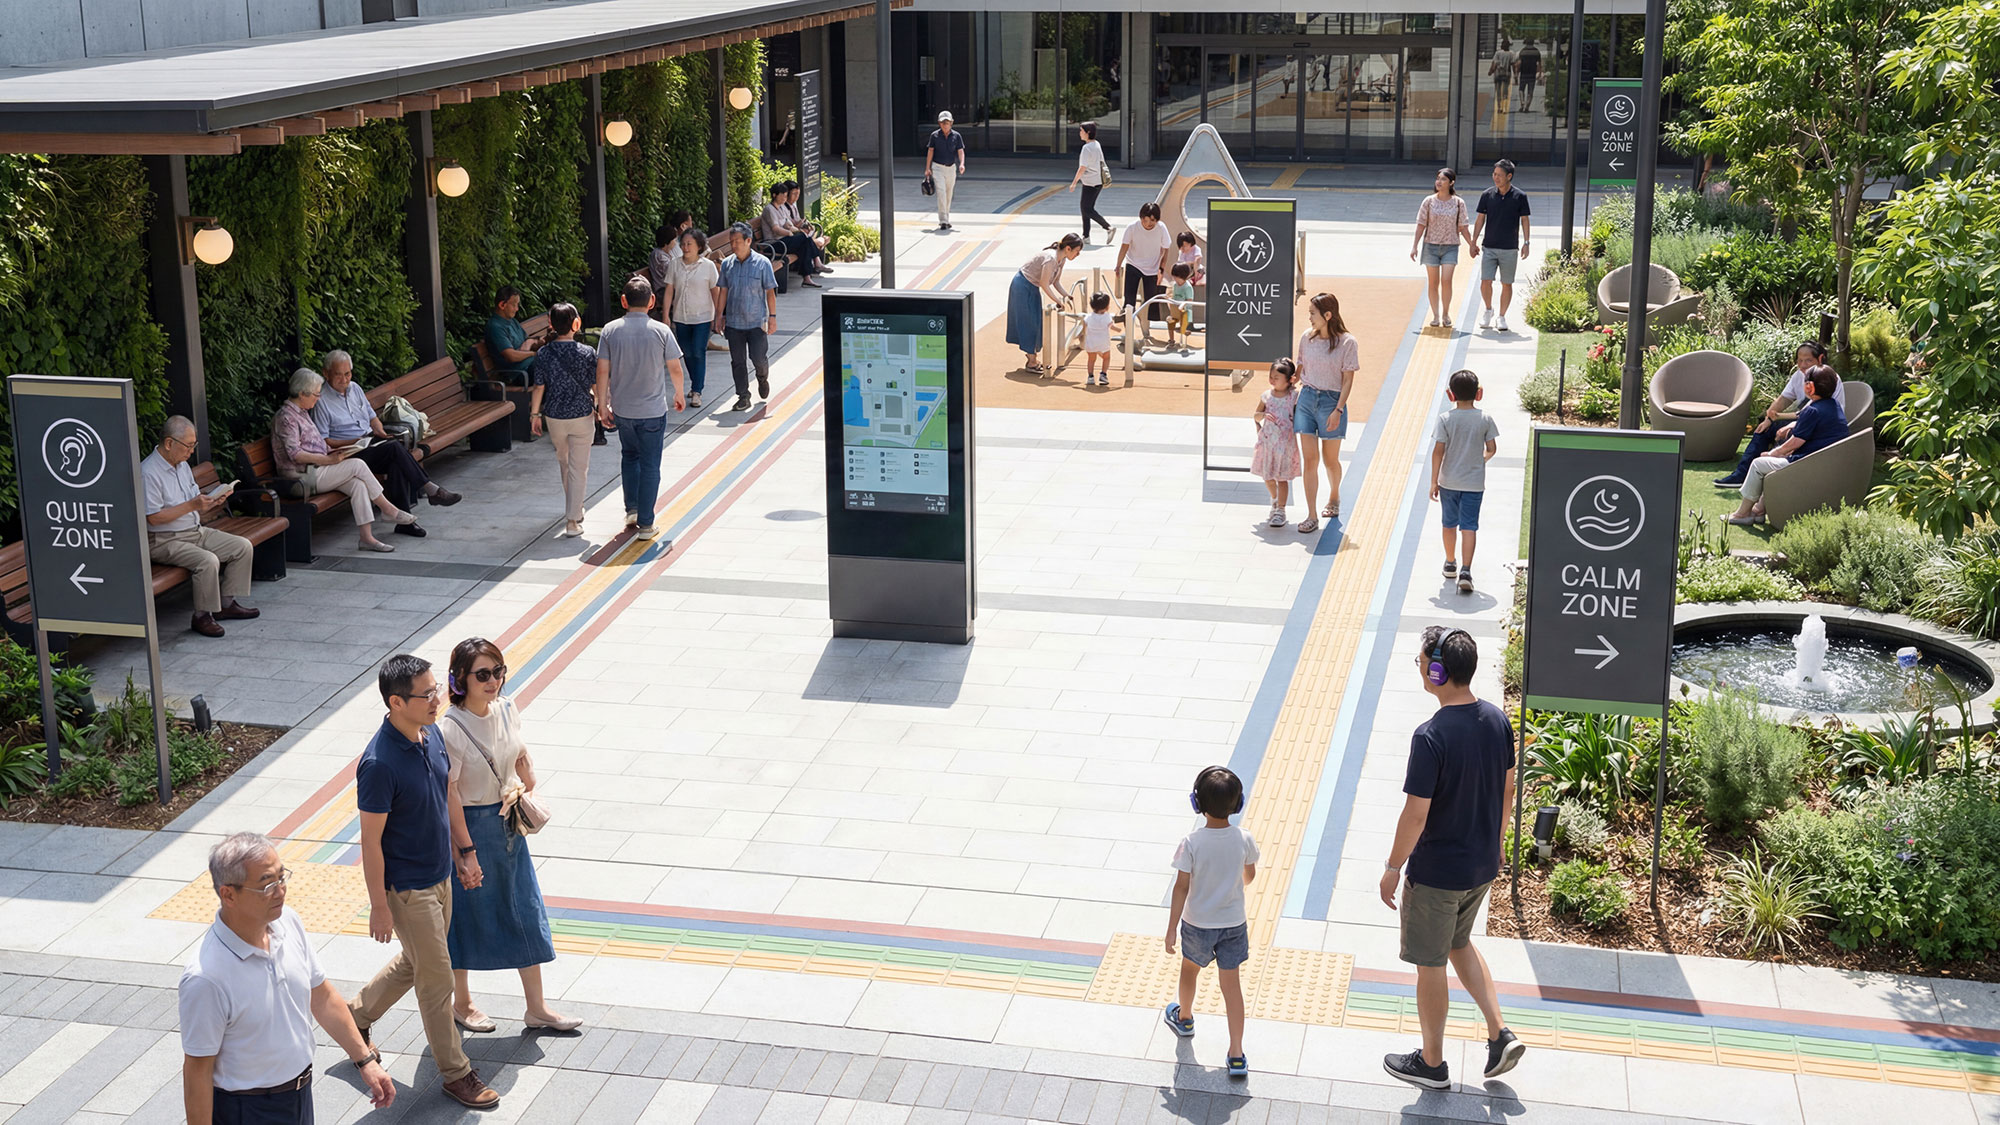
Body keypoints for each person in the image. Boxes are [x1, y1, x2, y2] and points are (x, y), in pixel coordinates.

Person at [348, 654, 500, 1110]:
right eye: (427, 693)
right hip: (408, 889)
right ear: (396, 702)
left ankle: (355, 1015)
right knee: (437, 981)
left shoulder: (428, 735)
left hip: (441, 876)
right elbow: (370, 842)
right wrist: (379, 905)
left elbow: (447, 794)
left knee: (419, 963)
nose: (438, 699)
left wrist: (465, 852)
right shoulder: (378, 764)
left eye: (437, 689)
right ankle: (456, 1074)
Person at [1380, 627, 1524, 1092]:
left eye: (1422, 661)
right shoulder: (1498, 721)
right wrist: (1497, 842)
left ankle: (1432, 1063)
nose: (1421, 667)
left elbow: (1416, 813)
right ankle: (1499, 1034)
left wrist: (1392, 866)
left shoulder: (1431, 736)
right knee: (1460, 942)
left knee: (1431, 963)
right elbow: (1507, 789)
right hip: (1481, 865)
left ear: (1437, 671)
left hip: (1438, 874)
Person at [180, 832, 394, 1125]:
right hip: (246, 1111)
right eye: (267, 884)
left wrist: (365, 1061)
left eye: (282, 878)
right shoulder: (206, 978)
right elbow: (197, 1070)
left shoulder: (287, 922)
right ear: (228, 894)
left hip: (299, 1095)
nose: (280, 891)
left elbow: (322, 996)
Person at [439, 638, 581, 1036]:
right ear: (460, 679)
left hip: (507, 822)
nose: (493, 681)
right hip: (472, 825)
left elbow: (522, 767)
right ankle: (461, 1002)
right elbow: (450, 792)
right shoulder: (451, 727)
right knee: (465, 915)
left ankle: (536, 1007)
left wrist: (527, 779)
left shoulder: (506, 709)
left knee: (524, 908)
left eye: (498, 672)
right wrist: (465, 849)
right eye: (482, 674)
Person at [1162, 766, 1259, 1080]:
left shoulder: (1191, 842)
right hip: (1233, 924)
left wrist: (1171, 929)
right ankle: (1236, 1053)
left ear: (1196, 802)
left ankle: (1186, 1017)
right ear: (1238, 803)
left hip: (1197, 924)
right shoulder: (1243, 838)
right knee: (1232, 986)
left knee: (1190, 970)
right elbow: (1249, 876)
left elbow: (1181, 887)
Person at [312, 349, 463, 533]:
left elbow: (371, 417)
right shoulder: (321, 401)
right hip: (349, 452)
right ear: (326, 373)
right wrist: (355, 440)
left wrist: (380, 430)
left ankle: (405, 523)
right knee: (394, 449)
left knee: (395, 462)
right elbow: (324, 441)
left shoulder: (355, 389)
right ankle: (431, 490)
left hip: (370, 443)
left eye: (347, 373)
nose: (344, 379)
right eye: (338, 374)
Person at [271, 369, 418, 553]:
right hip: (300, 478)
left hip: (316, 470)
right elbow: (295, 454)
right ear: (302, 394)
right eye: (316, 394)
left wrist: (339, 451)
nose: (318, 399)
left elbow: (316, 445)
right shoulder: (286, 418)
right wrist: (328, 460)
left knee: (358, 485)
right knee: (357, 465)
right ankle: (388, 509)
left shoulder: (302, 412)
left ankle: (366, 538)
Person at [142, 416, 258, 638]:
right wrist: (192, 505)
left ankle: (225, 604)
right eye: (188, 445)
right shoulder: (148, 472)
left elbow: (194, 501)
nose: (191, 451)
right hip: (164, 539)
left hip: (194, 531)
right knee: (207, 561)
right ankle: (202, 616)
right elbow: (154, 518)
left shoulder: (181, 465)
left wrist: (213, 500)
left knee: (242, 546)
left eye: (193, 445)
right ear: (169, 443)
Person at [597, 276, 687, 541]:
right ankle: (647, 525)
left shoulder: (610, 330)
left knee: (629, 457)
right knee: (650, 465)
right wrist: (679, 393)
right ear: (652, 301)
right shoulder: (661, 331)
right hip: (652, 411)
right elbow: (675, 368)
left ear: (623, 301)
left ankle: (632, 511)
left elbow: (602, 370)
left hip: (623, 410)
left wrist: (602, 405)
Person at [1727, 365, 1846, 525]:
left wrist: (1772, 454)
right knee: (1769, 466)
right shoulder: (1833, 405)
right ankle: (1758, 511)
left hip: (1806, 464)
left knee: (1758, 464)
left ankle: (1743, 514)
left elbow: (1795, 442)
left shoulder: (1813, 410)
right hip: (1823, 463)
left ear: (1810, 387)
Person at [1713, 341, 1838, 488]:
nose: (1803, 365)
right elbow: (1784, 399)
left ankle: (1773, 476)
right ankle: (1741, 474)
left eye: (1808, 360)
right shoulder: (1799, 376)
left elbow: (1827, 413)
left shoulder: (1830, 379)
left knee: (1788, 433)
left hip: (1819, 427)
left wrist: (1792, 426)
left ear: (1821, 359)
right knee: (1764, 428)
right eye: (1800, 360)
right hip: (1804, 419)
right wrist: (1768, 419)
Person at [528, 303, 598, 538]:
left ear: (551, 324)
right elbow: (595, 384)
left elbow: (539, 387)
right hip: (582, 415)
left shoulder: (543, 353)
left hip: (554, 416)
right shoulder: (587, 352)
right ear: (576, 324)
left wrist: (535, 415)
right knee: (579, 468)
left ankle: (574, 507)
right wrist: (601, 407)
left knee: (565, 463)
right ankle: (572, 520)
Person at [1293, 293, 1360, 534]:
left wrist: (1338, 409)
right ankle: (1311, 515)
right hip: (1307, 399)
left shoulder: (1347, 342)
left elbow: (1348, 380)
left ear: (1327, 315)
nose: (1309, 317)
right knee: (1309, 460)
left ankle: (1334, 497)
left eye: (1313, 313)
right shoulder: (1306, 338)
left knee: (1330, 460)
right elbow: (1299, 368)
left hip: (1332, 402)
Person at [1430, 370, 1500, 595]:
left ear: (1451, 395)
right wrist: (1480, 461)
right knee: (1469, 526)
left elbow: (1437, 452)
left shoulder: (1445, 419)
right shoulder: (1485, 419)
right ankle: (1466, 571)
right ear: (1479, 393)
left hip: (1449, 481)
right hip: (1474, 483)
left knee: (1448, 523)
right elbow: (1491, 449)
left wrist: (1434, 481)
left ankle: (1450, 562)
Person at [715, 222, 780, 412]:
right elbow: (723, 292)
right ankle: (743, 396)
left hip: (756, 322)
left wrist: (773, 317)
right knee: (737, 361)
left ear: (748, 241)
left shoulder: (762, 264)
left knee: (758, 358)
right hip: (734, 323)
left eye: (737, 241)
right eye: (731, 241)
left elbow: (770, 292)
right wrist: (719, 316)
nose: (733, 245)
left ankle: (762, 377)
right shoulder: (727, 264)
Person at [660, 227, 722, 411]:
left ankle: (697, 390)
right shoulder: (674, 264)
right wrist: (666, 316)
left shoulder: (708, 266)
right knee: (686, 353)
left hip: (703, 317)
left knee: (698, 351)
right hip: (681, 316)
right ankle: (696, 383)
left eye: (690, 244)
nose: (686, 247)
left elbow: (715, 291)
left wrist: (718, 316)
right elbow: (669, 290)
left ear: (699, 246)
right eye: (683, 244)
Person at [1006, 234, 1082, 375]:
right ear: (1068, 248)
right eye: (1077, 251)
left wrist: (1065, 295)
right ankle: (1032, 361)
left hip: (1032, 286)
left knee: (1036, 321)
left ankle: (1032, 359)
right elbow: (1044, 284)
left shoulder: (1061, 259)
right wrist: (1058, 301)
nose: (1078, 255)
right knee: (1028, 322)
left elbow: (1055, 281)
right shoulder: (1050, 259)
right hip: (1022, 285)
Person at [1469, 160, 1531, 332]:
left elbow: (1525, 220)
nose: (1495, 178)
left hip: (1510, 248)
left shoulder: (1520, 196)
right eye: (1494, 174)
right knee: (1485, 282)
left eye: (1499, 175)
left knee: (1506, 283)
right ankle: (1488, 309)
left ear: (1509, 176)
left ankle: (1502, 316)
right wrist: (1473, 242)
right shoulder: (1487, 195)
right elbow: (1480, 219)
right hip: (1489, 246)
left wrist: (1526, 242)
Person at [1411, 168, 1473, 328]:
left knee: (1446, 280)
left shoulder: (1459, 203)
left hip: (1450, 246)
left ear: (1451, 182)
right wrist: (1415, 246)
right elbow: (1421, 225)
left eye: (1443, 179)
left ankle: (1445, 314)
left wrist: (1472, 244)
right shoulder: (1429, 201)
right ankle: (1435, 315)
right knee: (1433, 282)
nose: (1439, 182)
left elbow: (1463, 226)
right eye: (1438, 179)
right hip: (1430, 246)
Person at [1253, 359, 1302, 528]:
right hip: (1268, 443)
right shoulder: (1266, 396)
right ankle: (1274, 499)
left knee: (1282, 479)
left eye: (1277, 377)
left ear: (1289, 380)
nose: (1272, 380)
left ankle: (1281, 509)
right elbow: (1256, 415)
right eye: (1271, 376)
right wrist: (1262, 416)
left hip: (1285, 445)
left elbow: (1299, 417)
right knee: (1268, 477)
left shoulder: (1294, 397)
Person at [1115, 203, 1174, 328]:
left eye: (1152, 220)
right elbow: (1124, 247)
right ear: (1141, 218)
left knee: (1150, 301)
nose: (1148, 223)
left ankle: (1146, 330)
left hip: (1152, 268)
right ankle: (1128, 332)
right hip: (1133, 264)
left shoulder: (1161, 228)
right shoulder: (1132, 227)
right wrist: (1118, 265)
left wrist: (1161, 269)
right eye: (1145, 220)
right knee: (1129, 301)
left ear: (1157, 220)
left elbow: (1166, 249)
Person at [761, 182, 825, 287]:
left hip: (784, 240)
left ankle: (807, 278)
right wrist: (790, 233)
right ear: (774, 195)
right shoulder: (769, 209)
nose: (785, 198)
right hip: (774, 243)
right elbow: (775, 228)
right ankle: (815, 265)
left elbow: (787, 224)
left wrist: (798, 231)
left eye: (786, 196)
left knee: (805, 244)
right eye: (783, 196)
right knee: (805, 240)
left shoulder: (780, 208)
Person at [484, 286, 543, 382]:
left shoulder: (512, 321)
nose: (517, 309)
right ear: (502, 305)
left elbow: (527, 340)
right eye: (514, 305)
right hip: (519, 373)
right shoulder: (495, 327)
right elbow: (511, 356)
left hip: (530, 366)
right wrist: (533, 354)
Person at [1068, 120, 1113, 243]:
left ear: (1088, 132)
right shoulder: (1096, 144)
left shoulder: (1086, 148)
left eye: (1081, 131)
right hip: (1097, 181)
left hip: (1090, 182)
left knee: (1087, 209)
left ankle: (1108, 227)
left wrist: (1074, 182)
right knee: (1086, 207)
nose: (1080, 133)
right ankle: (1086, 236)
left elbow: (1082, 167)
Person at [925, 111, 966, 230]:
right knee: (941, 192)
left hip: (951, 168)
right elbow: (930, 151)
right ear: (939, 123)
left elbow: (960, 151)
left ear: (951, 123)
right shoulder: (934, 136)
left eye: (947, 122)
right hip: (937, 167)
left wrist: (962, 164)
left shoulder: (956, 136)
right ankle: (943, 220)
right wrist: (927, 168)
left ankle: (946, 217)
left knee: (948, 194)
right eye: (942, 122)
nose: (945, 124)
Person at [1082, 292, 1115, 387]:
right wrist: (1119, 329)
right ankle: (1103, 375)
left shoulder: (1088, 317)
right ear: (1107, 307)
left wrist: (1082, 334)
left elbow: (1084, 326)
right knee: (1106, 357)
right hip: (1103, 342)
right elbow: (1112, 326)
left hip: (1091, 342)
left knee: (1091, 359)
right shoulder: (1107, 316)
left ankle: (1090, 377)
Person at [1168, 262, 1196, 338]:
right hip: (1175, 310)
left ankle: (1184, 334)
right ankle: (1171, 340)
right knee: (1169, 320)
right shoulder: (1175, 285)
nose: (1174, 279)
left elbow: (1189, 301)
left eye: (1175, 277)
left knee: (1183, 322)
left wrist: (1182, 306)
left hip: (1185, 311)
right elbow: (1173, 297)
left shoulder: (1188, 287)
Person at [1488, 39, 1515, 113]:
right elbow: (1513, 64)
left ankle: (1499, 107)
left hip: (1498, 73)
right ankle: (1505, 108)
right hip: (1506, 74)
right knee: (1505, 91)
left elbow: (1494, 64)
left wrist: (1490, 71)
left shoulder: (1498, 53)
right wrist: (1515, 75)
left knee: (1498, 91)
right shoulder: (1511, 54)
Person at [1516, 39, 1542, 112]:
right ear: (1533, 43)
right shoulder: (1536, 51)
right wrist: (1540, 73)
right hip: (1532, 73)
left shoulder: (1523, 51)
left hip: (1523, 73)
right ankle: (1527, 106)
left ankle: (1522, 103)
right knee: (1530, 91)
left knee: (1521, 89)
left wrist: (1517, 72)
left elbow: (1519, 63)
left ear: (1526, 43)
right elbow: (1539, 63)